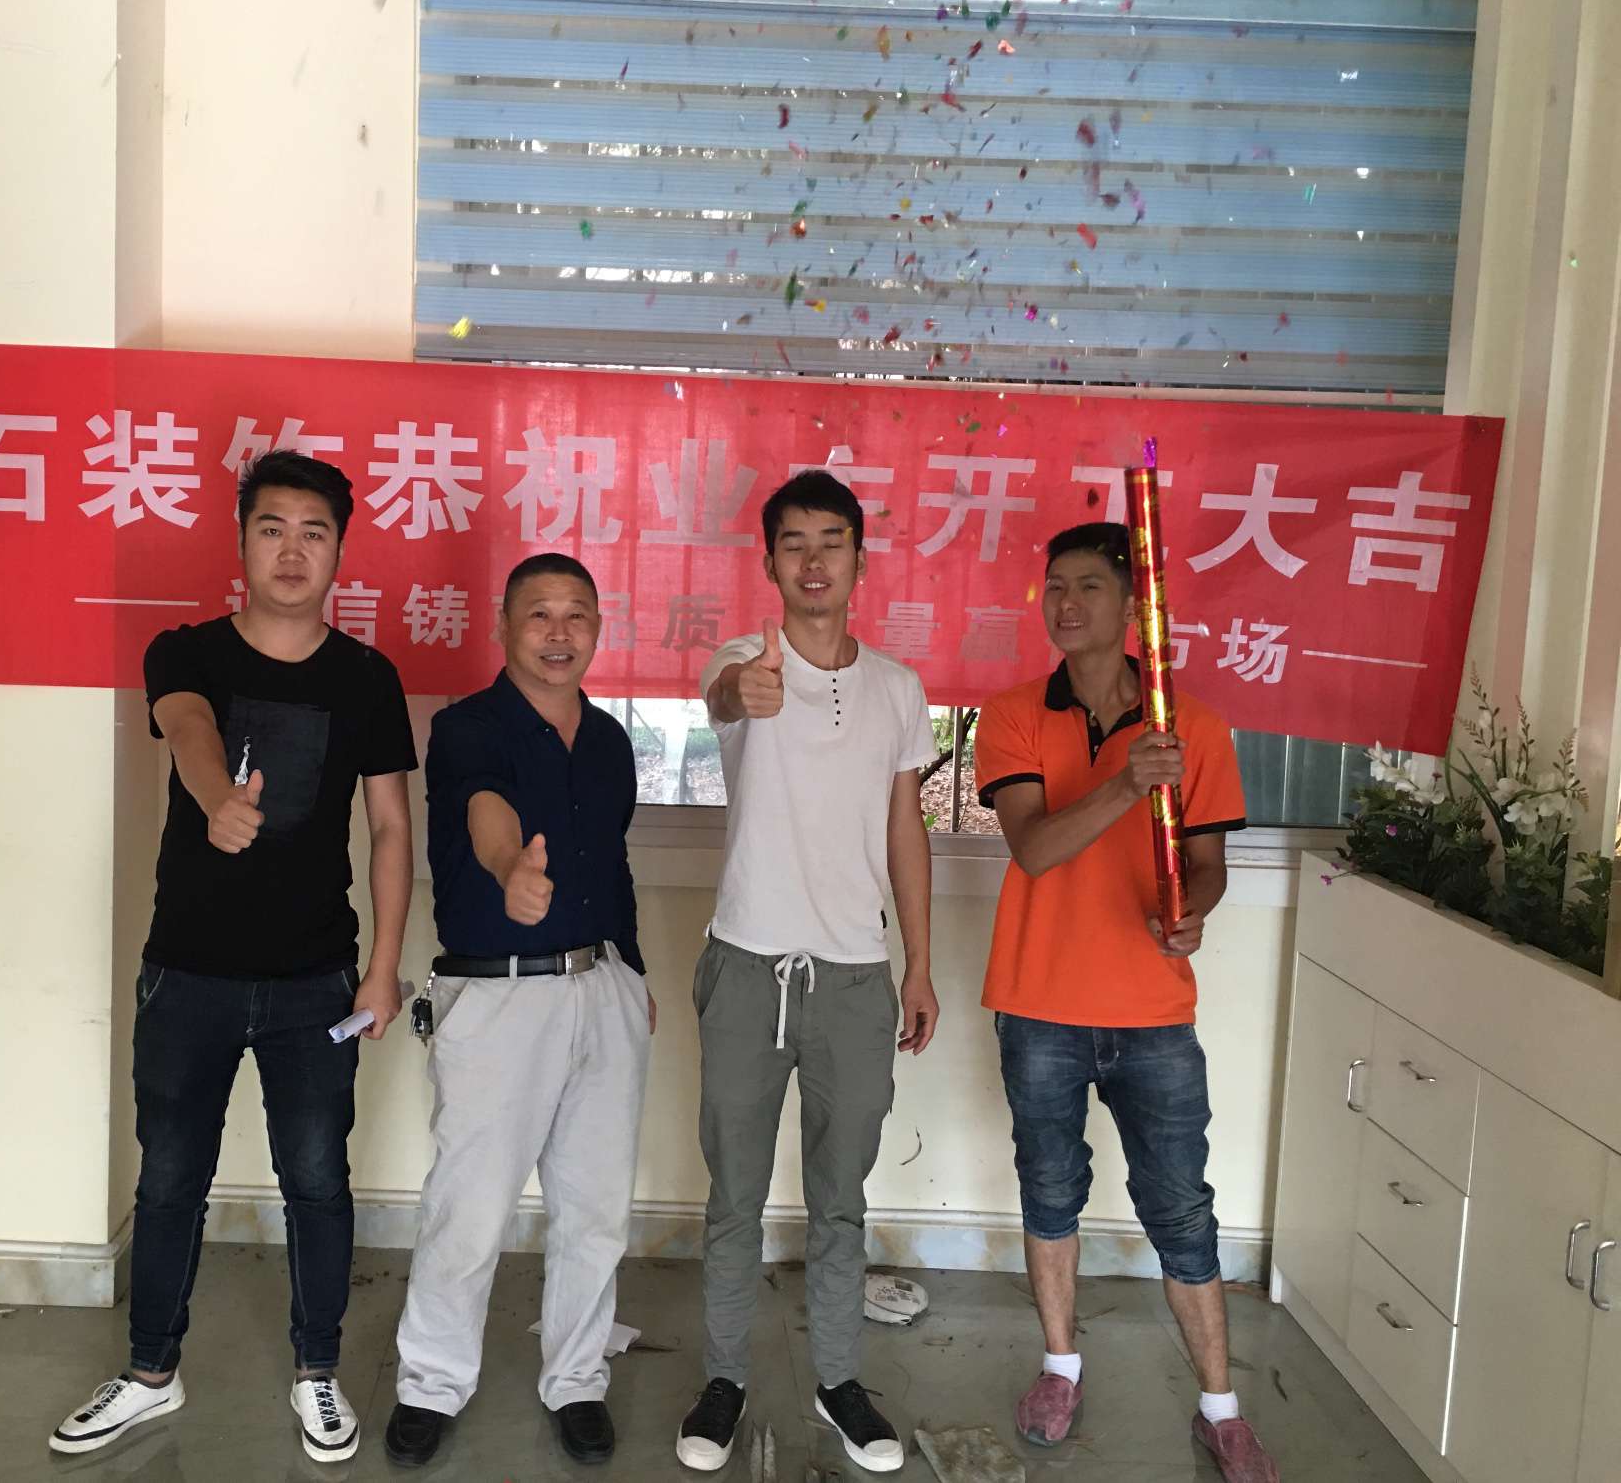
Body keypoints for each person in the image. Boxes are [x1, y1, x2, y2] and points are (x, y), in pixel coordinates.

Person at [49, 450, 416, 1464]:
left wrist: (383, 968)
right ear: (241, 540)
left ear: (339, 551)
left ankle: (317, 1371)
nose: (292, 551)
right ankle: (148, 1374)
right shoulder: (187, 651)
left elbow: (392, 828)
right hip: (189, 975)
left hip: (317, 982)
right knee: (170, 1179)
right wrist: (216, 799)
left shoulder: (366, 678)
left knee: (317, 1181)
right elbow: (187, 727)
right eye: (272, 528)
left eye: (314, 532)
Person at [973, 521, 1277, 1483]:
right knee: (1050, 1188)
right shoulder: (1013, 714)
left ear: (1134, 605)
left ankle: (1221, 1409)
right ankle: (1060, 1367)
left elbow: (1207, 863)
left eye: (1089, 587)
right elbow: (1034, 848)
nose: (1066, 604)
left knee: (1181, 1208)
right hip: (1040, 1002)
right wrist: (1127, 779)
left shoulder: (1198, 728)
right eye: (1054, 586)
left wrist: (1193, 912)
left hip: (1153, 1012)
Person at [677, 470, 939, 1476]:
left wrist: (918, 966)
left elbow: (905, 830)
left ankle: (837, 1381)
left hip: (855, 979)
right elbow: (722, 699)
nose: (814, 559)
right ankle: (723, 1380)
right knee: (734, 1196)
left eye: (832, 541)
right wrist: (739, 691)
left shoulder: (898, 690)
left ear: (859, 560)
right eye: (794, 543)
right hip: (747, 968)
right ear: (769, 562)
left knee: (840, 1199)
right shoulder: (741, 665)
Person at [384, 552, 653, 1470]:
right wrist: (510, 871)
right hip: (497, 995)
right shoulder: (467, 727)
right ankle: (431, 1383)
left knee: (594, 1207)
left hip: (602, 988)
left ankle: (576, 1379)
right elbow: (485, 811)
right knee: (469, 1207)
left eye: (578, 614)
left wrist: (633, 974)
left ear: (598, 630)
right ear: (503, 627)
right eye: (539, 613)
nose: (559, 632)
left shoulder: (610, 740)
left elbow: (612, 861)